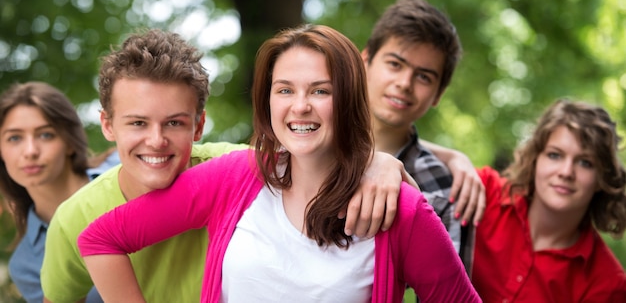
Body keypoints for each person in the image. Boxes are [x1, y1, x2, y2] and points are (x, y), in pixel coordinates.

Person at [77, 24, 480, 303]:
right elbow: (100, 240)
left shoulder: (401, 210)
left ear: (350, 99)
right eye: (284, 89)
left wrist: (380, 163)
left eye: (321, 91)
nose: (300, 106)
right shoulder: (234, 177)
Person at [361, 0, 485, 272]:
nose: (404, 83)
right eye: (395, 64)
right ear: (365, 59)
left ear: (438, 94)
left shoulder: (443, 187)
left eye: (424, 77)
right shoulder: (310, 140)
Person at [473, 99, 626, 302]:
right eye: (555, 155)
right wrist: (452, 158)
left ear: (601, 178)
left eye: (585, 163)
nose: (566, 172)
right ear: (536, 159)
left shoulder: (608, 285)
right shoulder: (483, 191)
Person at [0, 82, 118, 302]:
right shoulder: (25, 264)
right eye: (14, 138)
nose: (30, 151)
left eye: (45, 135)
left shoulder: (122, 168)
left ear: (70, 142)